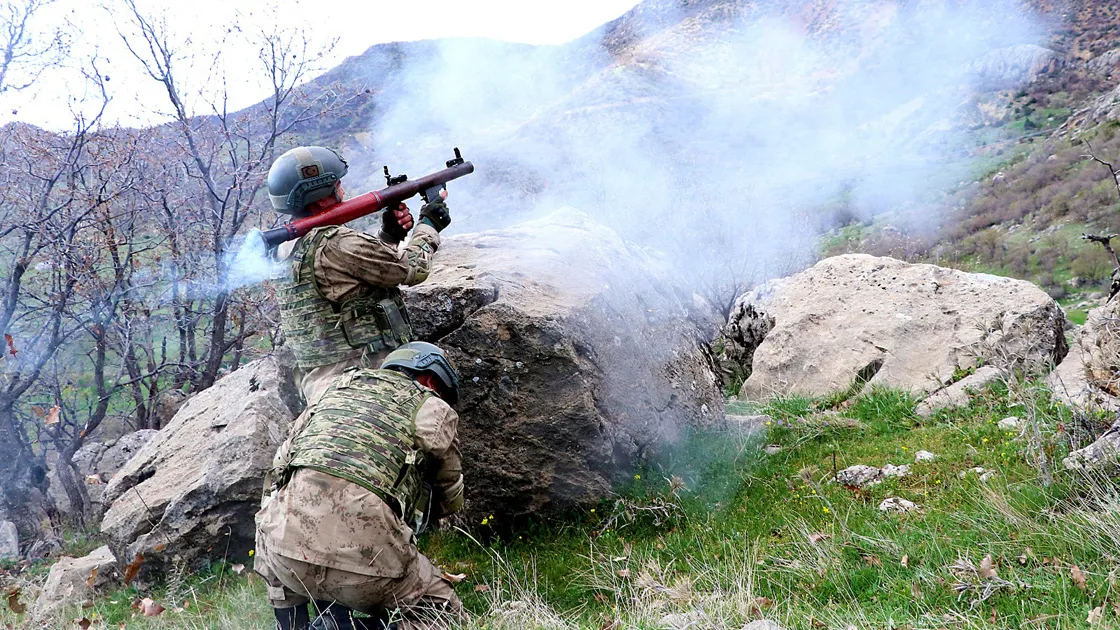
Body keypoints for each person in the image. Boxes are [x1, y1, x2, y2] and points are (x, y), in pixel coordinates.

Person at [255, 342, 465, 630]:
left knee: (276, 507)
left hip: (285, 561)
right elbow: (449, 498)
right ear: (430, 380)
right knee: (444, 613)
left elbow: (279, 470)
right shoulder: (433, 408)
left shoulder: (333, 388)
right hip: (370, 571)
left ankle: (294, 624)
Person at [267, 146, 453, 405]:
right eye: (337, 185)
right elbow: (412, 269)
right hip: (367, 380)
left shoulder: (283, 247)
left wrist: (389, 236)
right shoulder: (335, 242)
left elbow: (349, 279)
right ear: (321, 197)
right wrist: (429, 225)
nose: (342, 191)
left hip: (324, 386)